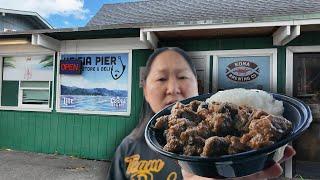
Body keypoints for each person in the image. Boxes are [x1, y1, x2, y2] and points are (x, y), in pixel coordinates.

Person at [106, 47, 295, 180]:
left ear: (198, 86)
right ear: (146, 91)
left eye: (182, 77)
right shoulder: (127, 148)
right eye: (161, 78)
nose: (172, 88)